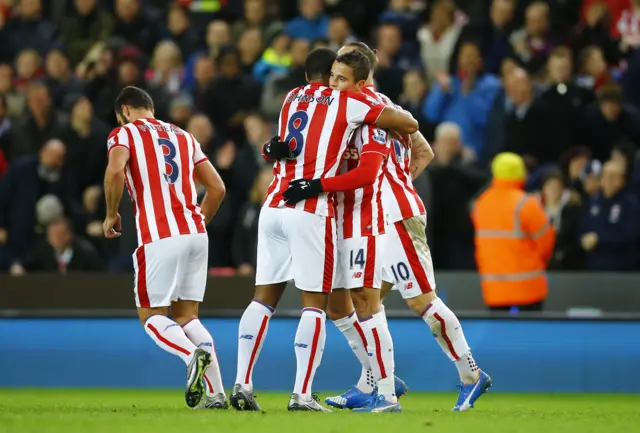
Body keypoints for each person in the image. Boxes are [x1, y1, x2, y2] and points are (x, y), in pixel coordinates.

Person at [230, 48, 418, 413]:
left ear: (304, 76)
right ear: (330, 73)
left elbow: (285, 146)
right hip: (311, 209)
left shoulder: (292, 97)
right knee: (315, 305)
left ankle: (242, 383)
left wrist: (273, 149)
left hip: (274, 203)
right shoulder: (350, 102)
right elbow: (407, 124)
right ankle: (302, 393)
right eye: (334, 76)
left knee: (262, 299)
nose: (335, 83)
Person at [307, 41, 491, 413]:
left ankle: (471, 375)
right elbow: (424, 150)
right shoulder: (387, 107)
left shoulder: (370, 111)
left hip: (394, 216)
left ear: (362, 78)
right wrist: (398, 179)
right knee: (362, 302)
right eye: (332, 76)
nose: (334, 83)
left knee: (420, 299)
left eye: (341, 78)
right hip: (374, 218)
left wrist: (394, 187)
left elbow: (406, 153)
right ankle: (372, 383)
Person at [102, 86, 226, 409]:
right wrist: (198, 222)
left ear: (125, 111)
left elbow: (115, 170)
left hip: (158, 236)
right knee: (188, 317)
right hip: (196, 235)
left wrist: (111, 213)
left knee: (151, 316)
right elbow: (216, 188)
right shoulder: (184, 136)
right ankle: (216, 395)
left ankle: (190, 355)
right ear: (151, 107)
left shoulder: (124, 133)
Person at [471, 153, 555, 311]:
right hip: (528, 288)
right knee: (529, 334)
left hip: (494, 289)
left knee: (499, 334)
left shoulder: (480, 204)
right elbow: (546, 242)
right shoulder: (527, 203)